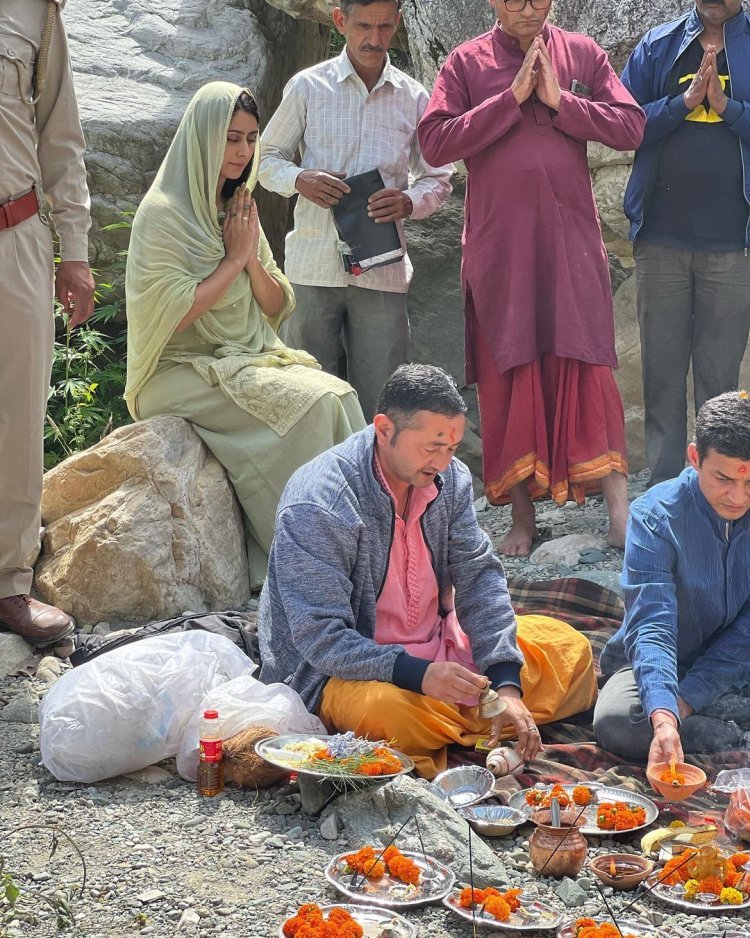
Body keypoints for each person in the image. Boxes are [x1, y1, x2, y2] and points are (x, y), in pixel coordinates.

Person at [258, 364, 598, 778]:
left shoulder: (449, 478)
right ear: (384, 429)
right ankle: (475, 726)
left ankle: (477, 720)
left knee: (571, 650)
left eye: (452, 448)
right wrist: (420, 676)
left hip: (440, 648)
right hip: (353, 672)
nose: (442, 461)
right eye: (431, 447)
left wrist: (506, 683)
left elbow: (478, 576)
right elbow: (321, 640)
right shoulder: (320, 503)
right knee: (390, 716)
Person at [417, 0, 645, 557]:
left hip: (570, 241)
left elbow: (632, 126)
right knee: (507, 370)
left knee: (587, 362)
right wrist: (511, 99)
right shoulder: (466, 63)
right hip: (503, 248)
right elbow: (435, 142)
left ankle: (619, 511)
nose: (528, 8)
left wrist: (560, 102)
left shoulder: (582, 53)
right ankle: (522, 518)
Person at [124, 82, 366, 587]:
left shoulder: (239, 206)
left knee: (339, 396)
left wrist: (251, 258)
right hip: (175, 371)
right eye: (232, 138)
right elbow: (172, 315)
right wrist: (234, 258)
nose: (243, 152)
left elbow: (276, 304)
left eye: (252, 139)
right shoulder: (163, 216)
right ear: (203, 137)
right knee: (314, 406)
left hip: (245, 355)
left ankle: (360, 551)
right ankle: (305, 563)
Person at [258, 0, 452, 420]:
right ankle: (312, 486)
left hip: (382, 273)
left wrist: (409, 201)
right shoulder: (308, 86)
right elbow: (264, 159)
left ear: (397, 24)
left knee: (383, 404)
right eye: (364, 25)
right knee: (308, 400)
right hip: (312, 266)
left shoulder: (414, 97)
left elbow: (440, 177)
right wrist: (299, 180)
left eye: (385, 27)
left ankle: (377, 485)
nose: (375, 38)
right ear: (340, 21)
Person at [621, 0, 750, 487]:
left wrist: (725, 107)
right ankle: (666, 484)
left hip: (732, 243)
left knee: (720, 378)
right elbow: (625, 125)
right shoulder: (658, 45)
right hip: (660, 238)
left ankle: (719, 485)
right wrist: (683, 103)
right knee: (662, 370)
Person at [0, 0, 95, 645]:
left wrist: (76, 251)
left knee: (18, 411)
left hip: (14, 234)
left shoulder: (33, 10)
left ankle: (9, 583)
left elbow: (60, 134)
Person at [594, 392, 750, 770]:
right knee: (617, 722)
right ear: (695, 457)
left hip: (738, 657)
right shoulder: (654, 516)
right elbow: (652, 625)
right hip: (665, 659)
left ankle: (717, 716)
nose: (739, 497)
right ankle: (727, 723)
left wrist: (692, 696)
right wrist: (665, 713)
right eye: (723, 479)